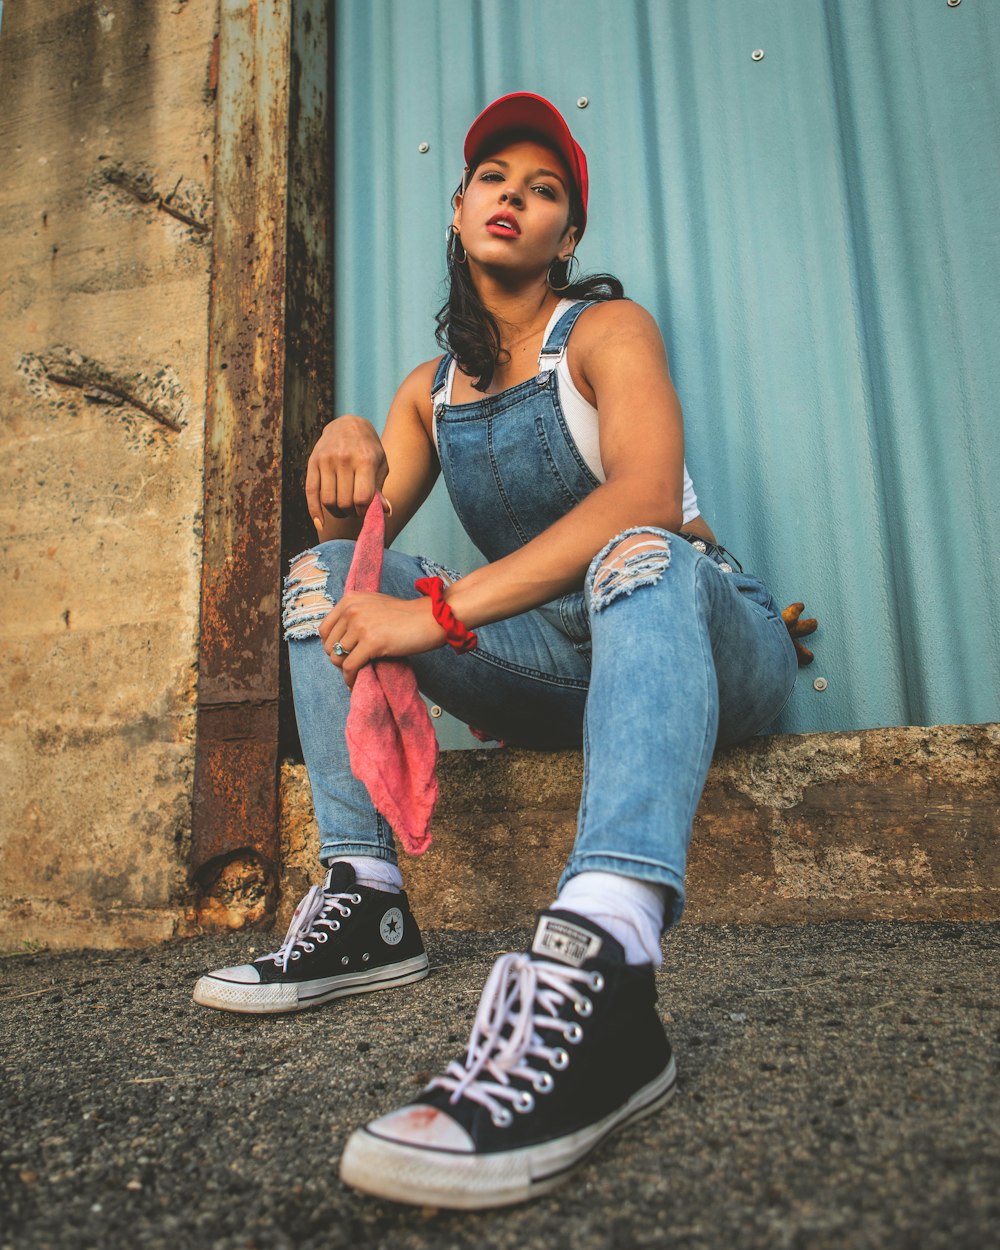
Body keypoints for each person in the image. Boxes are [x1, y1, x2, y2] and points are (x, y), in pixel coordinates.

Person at [193, 93, 799, 1208]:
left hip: (692, 631)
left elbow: (647, 496)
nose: (512, 193)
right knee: (321, 577)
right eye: (492, 177)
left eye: (545, 185)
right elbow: (351, 562)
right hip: (556, 667)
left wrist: (439, 612)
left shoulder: (608, 332)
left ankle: (608, 964)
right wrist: (342, 445)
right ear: (458, 208)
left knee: (637, 550)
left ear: (568, 235)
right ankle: (365, 895)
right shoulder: (430, 392)